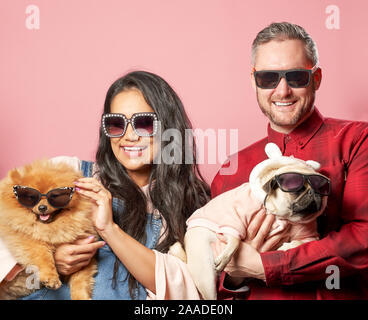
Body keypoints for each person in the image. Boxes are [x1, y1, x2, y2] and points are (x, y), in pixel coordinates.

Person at [0, 70, 211, 299]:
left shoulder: (190, 209)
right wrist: (48, 260)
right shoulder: (69, 174)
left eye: (144, 124)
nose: (129, 136)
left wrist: (109, 229)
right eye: (116, 124)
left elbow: (185, 290)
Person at [212, 22, 368, 300]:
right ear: (253, 80)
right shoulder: (230, 171)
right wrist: (235, 275)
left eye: (296, 77)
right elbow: (216, 281)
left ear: (316, 78)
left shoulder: (358, 140)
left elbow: (363, 239)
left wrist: (264, 266)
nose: (282, 91)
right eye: (268, 78)